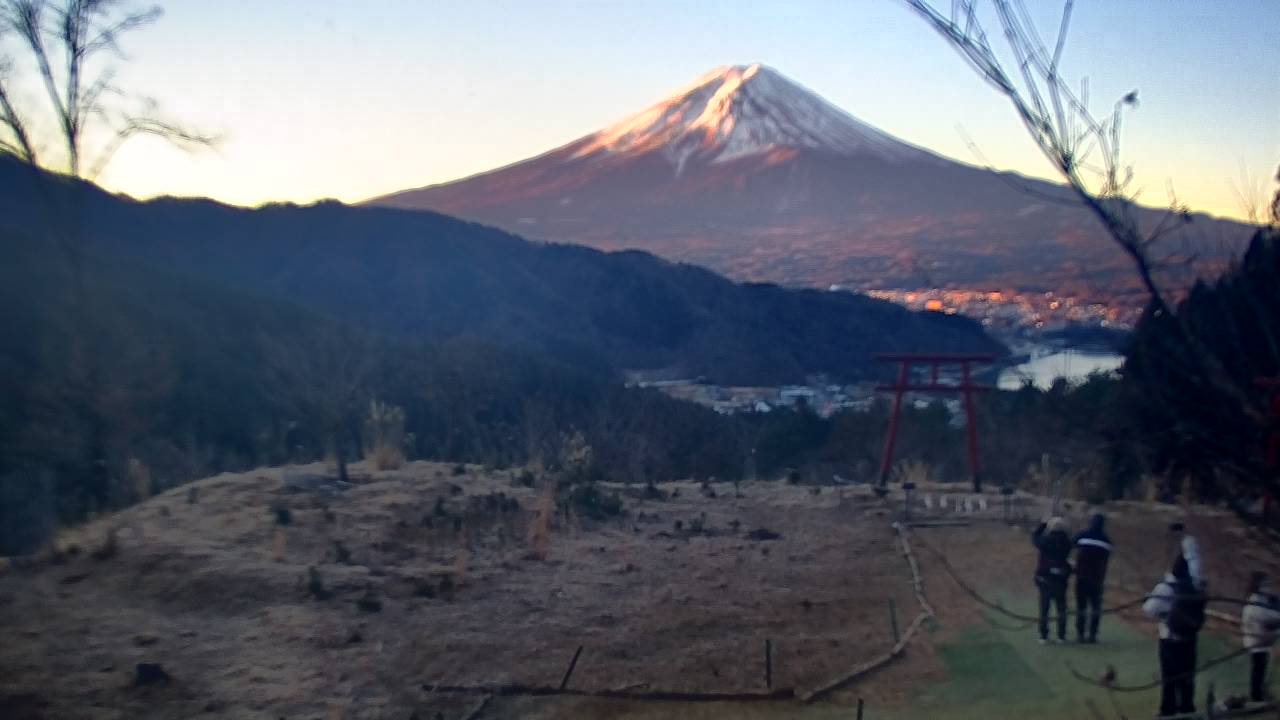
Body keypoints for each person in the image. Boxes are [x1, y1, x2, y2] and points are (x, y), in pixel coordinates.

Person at [1144, 553, 1206, 717]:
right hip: (1190, 636)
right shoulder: (1196, 586)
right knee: (1187, 674)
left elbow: (1149, 609)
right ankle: (1186, 707)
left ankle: (1168, 709)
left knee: (1169, 676)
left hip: (1169, 637)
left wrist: (1165, 613)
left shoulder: (1165, 587)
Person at [1033, 516, 1072, 644]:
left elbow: (1034, 538)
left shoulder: (1045, 541)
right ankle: (1061, 635)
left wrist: (1043, 524)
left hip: (1045, 578)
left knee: (1044, 608)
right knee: (1061, 607)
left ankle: (1043, 636)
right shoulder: (1067, 542)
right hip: (1060, 578)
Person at [1073, 513, 1112, 643]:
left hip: (1081, 577)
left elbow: (1071, 545)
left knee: (1081, 607)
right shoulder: (1106, 541)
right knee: (1095, 608)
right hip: (1097, 579)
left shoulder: (1082, 536)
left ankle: (1080, 633)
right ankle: (1093, 634)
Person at [1242, 571, 1280, 703]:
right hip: (1257, 642)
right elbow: (1267, 618)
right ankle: (1256, 695)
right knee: (1258, 670)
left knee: (1260, 669)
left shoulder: (1261, 600)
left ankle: (1260, 692)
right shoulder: (1255, 603)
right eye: (1265, 584)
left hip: (1261, 640)